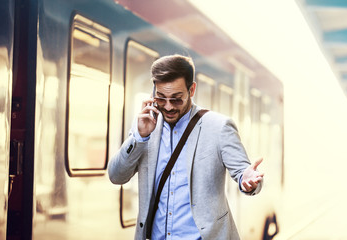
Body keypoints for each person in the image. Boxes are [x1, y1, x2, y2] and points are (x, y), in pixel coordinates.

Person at [109, 54, 264, 240]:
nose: (168, 107)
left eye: (176, 99)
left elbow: (244, 174)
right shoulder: (146, 125)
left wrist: (247, 182)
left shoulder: (219, 127)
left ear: (192, 90)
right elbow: (116, 176)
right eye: (160, 98)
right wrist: (139, 138)